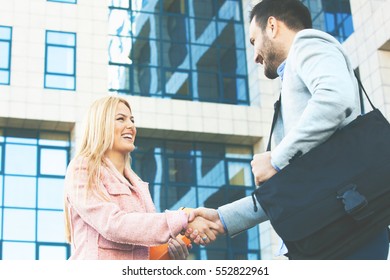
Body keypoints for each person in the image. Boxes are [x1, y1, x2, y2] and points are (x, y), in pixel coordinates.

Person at [186, 0, 389, 259]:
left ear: (272, 25)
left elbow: (336, 98)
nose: (256, 55)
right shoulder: (293, 84)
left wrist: (276, 159)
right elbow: (292, 186)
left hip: (348, 234)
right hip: (332, 233)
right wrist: (222, 219)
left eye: (253, 41)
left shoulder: (308, 43)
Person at [63, 95, 219, 260]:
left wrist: (170, 257)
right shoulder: (83, 168)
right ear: (101, 126)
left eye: (132, 120)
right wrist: (183, 221)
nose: (131, 126)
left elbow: (145, 243)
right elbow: (113, 224)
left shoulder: (138, 185)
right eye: (120, 119)